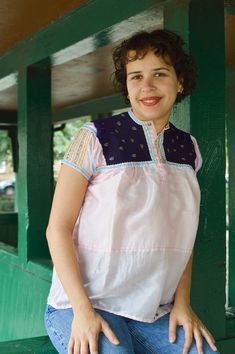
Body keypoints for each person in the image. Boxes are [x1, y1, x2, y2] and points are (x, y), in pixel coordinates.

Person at [44, 29, 219, 354]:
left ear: (180, 81)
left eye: (160, 74)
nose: (147, 86)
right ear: (126, 85)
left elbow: (181, 237)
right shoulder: (95, 137)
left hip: (153, 311)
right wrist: (82, 311)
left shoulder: (188, 149)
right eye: (135, 76)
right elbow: (58, 228)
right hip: (82, 305)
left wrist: (183, 304)